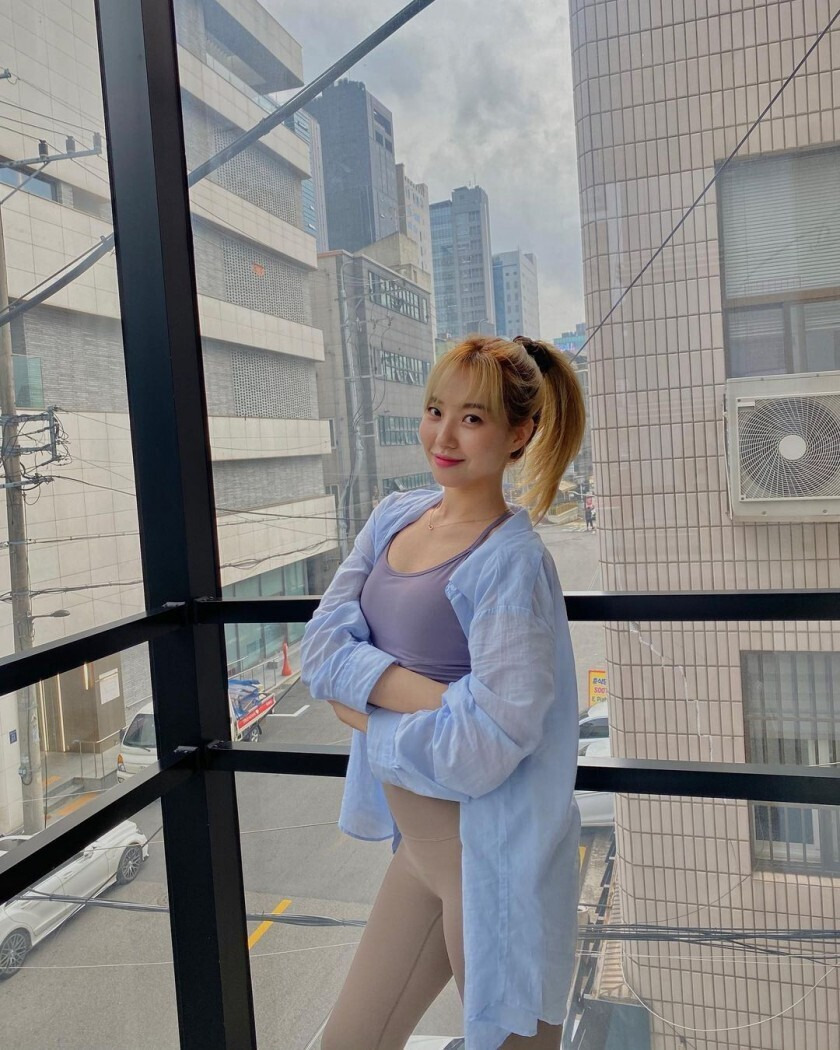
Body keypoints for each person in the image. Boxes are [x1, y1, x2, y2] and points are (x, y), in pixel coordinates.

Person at [301, 334, 586, 1050]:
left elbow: (487, 745)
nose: (444, 436)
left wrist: (366, 714)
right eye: (436, 411)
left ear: (520, 433)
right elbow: (321, 647)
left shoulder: (512, 561)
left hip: (491, 862)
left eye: (473, 418)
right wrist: (433, 698)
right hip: (420, 859)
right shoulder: (394, 515)